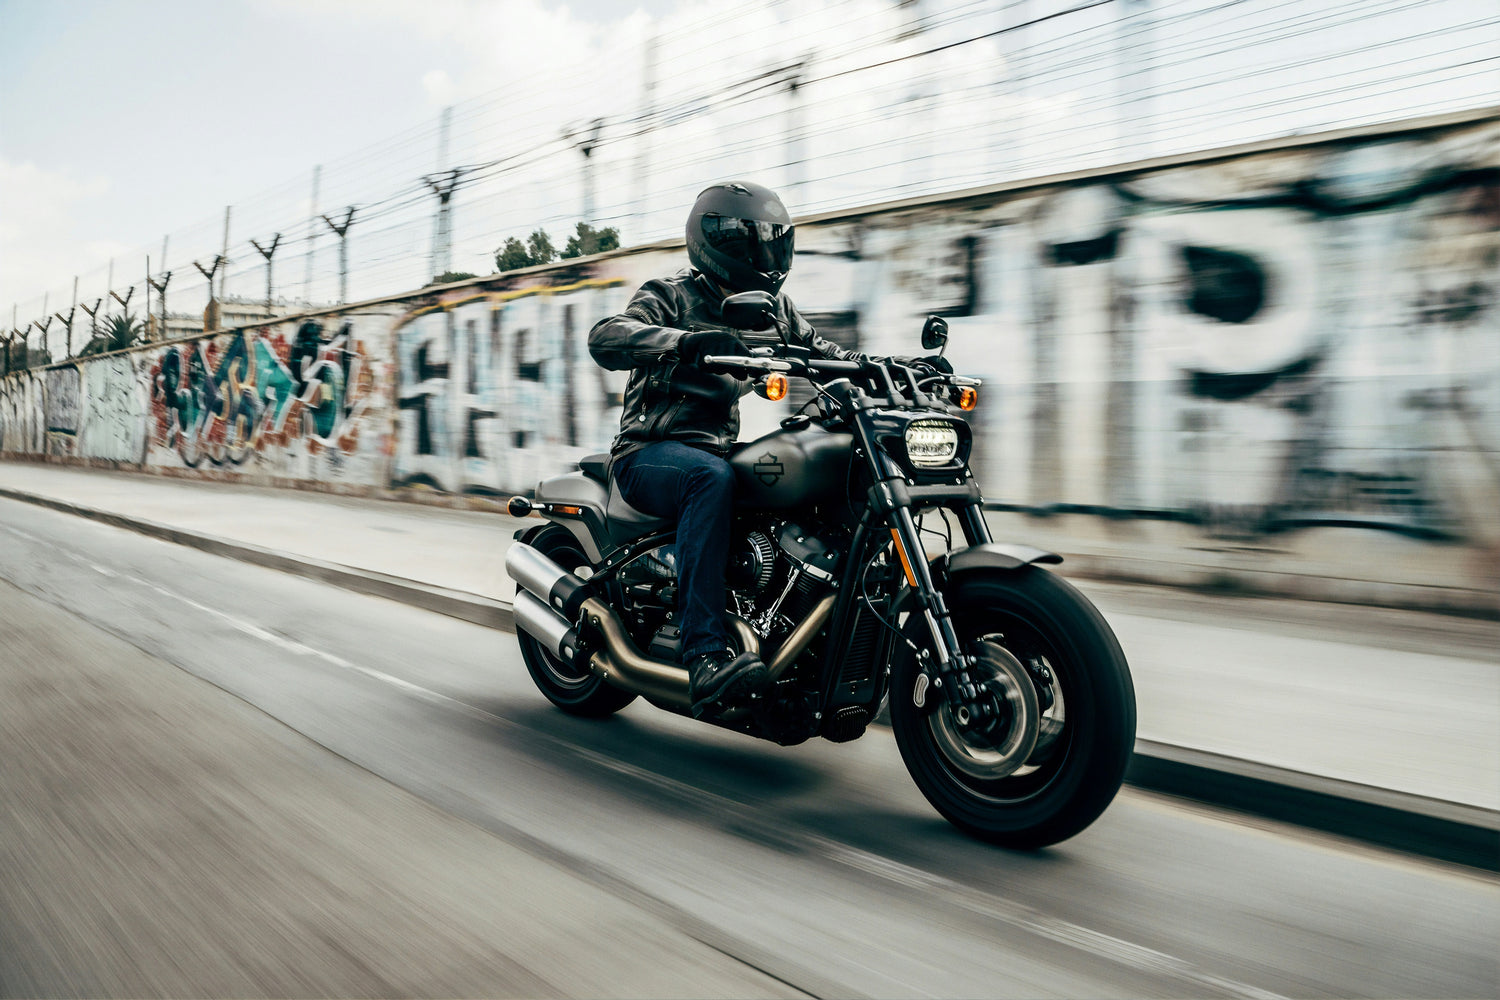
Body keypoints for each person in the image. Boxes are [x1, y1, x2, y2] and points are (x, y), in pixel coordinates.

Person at [587, 180, 864, 720]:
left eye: (770, 241)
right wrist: (681, 342)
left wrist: (887, 367)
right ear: (715, 242)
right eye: (749, 243)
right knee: (709, 479)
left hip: (714, 448)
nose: (762, 254)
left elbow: (828, 352)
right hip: (651, 450)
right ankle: (705, 655)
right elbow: (608, 335)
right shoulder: (671, 295)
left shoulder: (773, 310)